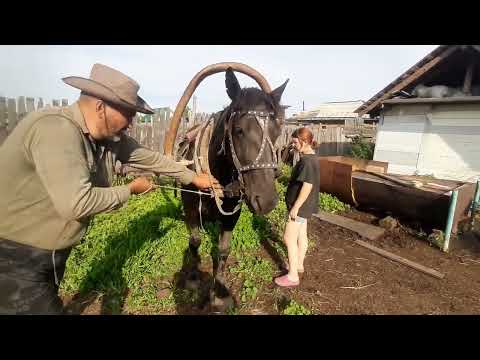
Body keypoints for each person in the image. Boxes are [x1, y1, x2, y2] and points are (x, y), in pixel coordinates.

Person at [0, 63, 220, 314]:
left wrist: (193, 178)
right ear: (100, 107)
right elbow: (76, 202)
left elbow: (151, 159)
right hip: (14, 255)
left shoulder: (108, 139)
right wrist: (130, 190)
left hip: (47, 255)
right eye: (128, 112)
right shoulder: (55, 129)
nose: (132, 122)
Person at [274, 127, 320, 287]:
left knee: (288, 238)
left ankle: (292, 276)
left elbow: (307, 186)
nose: (293, 145)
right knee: (302, 235)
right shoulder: (312, 158)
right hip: (307, 206)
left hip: (300, 207)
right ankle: (298, 265)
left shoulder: (307, 161)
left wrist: (295, 208)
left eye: (295, 142)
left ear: (304, 141)